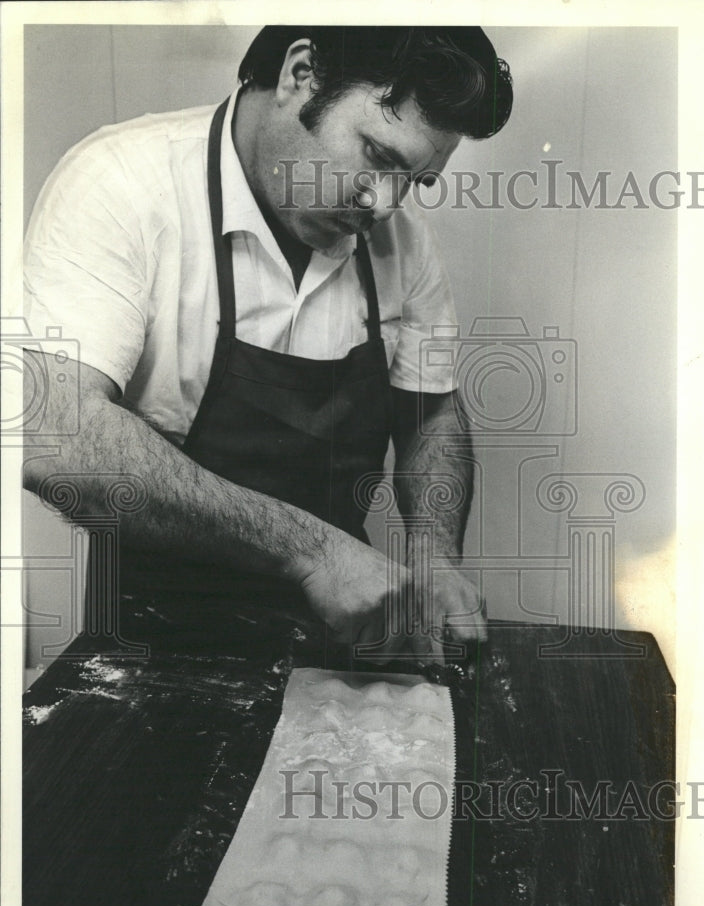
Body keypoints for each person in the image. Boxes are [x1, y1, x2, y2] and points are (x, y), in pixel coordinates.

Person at [22, 26, 513, 661]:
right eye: (379, 158)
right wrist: (315, 551)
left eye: (414, 182)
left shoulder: (403, 243)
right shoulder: (121, 183)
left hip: (340, 642)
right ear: (300, 73)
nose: (386, 205)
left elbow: (432, 410)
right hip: (150, 647)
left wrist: (434, 553)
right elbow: (53, 435)